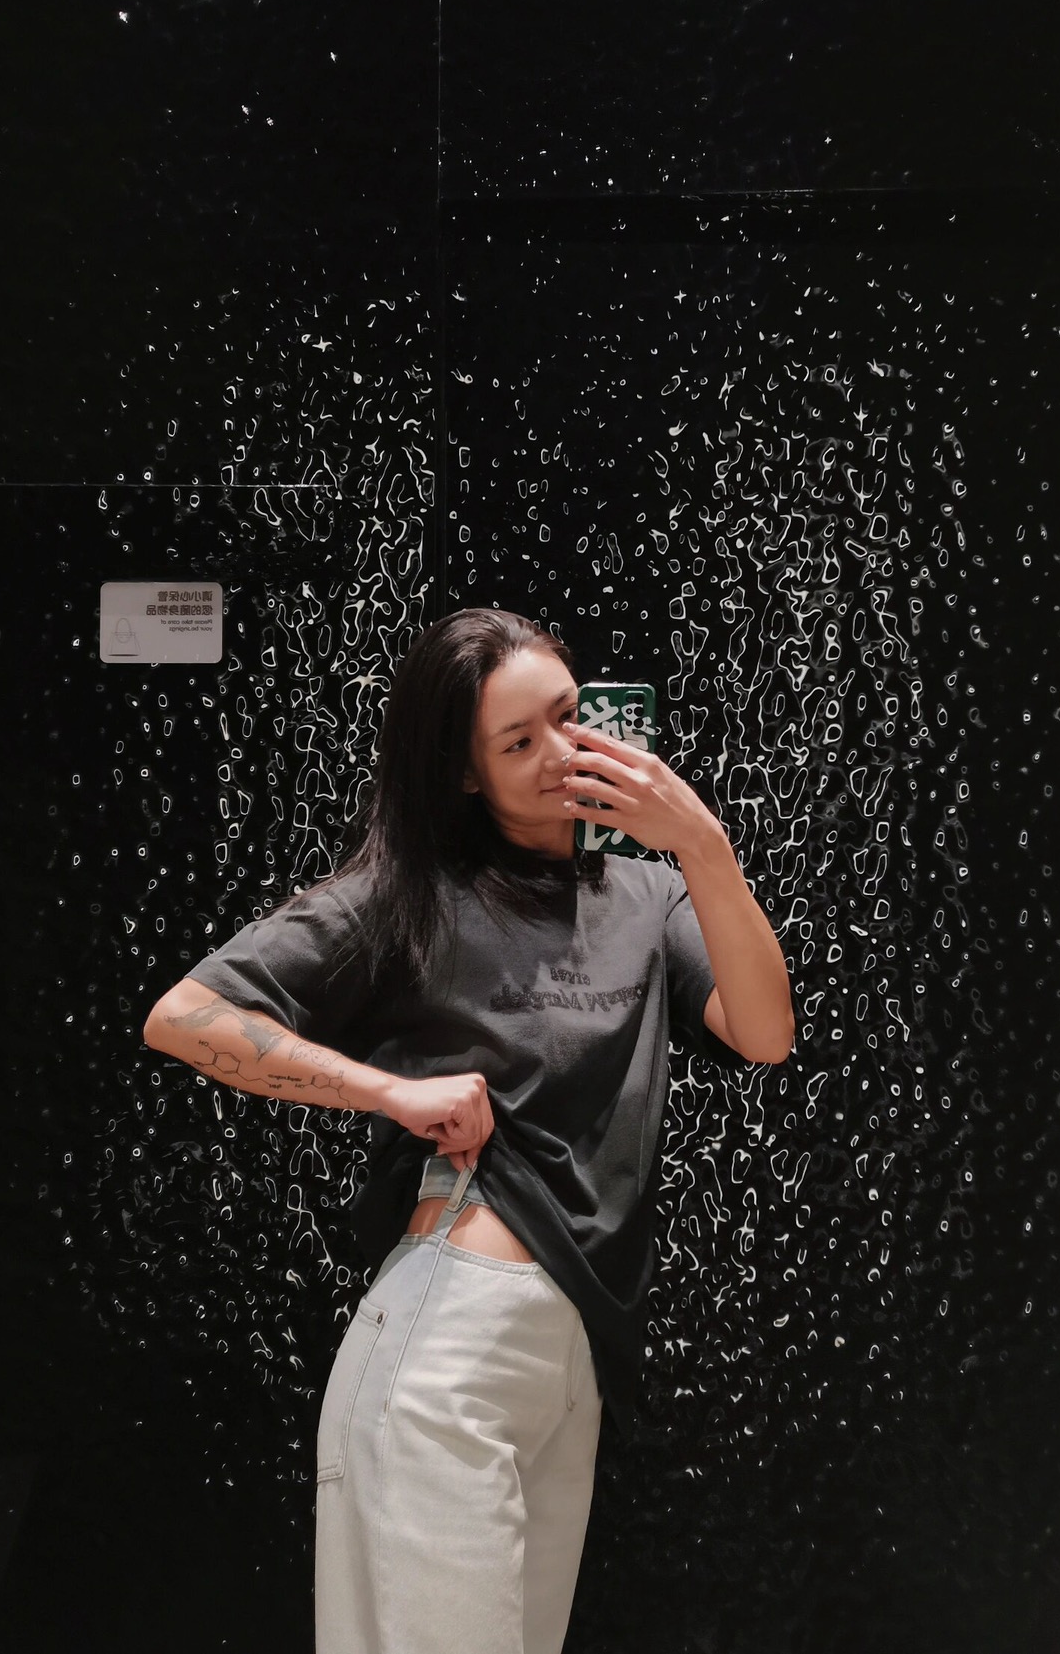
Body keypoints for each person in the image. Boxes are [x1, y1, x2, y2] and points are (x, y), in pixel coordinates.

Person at [143, 607, 794, 1654]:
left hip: (574, 1353)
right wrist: (386, 1093)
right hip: (449, 1343)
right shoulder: (413, 894)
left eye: (570, 716)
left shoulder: (651, 892)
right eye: (518, 741)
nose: (561, 752)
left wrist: (701, 842)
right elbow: (183, 1015)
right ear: (463, 772)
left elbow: (763, 1033)